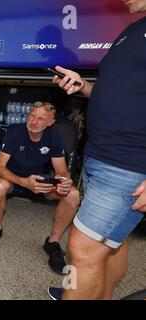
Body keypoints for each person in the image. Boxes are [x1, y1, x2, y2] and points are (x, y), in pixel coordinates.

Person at [48, 0, 146, 299]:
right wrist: (83, 87)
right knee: (110, 245)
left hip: (127, 164)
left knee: (81, 249)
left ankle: (73, 293)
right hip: (100, 157)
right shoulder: (133, 30)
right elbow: (116, 89)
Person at [0, 101, 80, 274]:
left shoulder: (55, 136)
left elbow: (61, 169)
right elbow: (0, 168)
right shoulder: (15, 132)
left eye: (40, 119)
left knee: (72, 195)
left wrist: (64, 180)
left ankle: (52, 243)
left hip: (41, 183)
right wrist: (23, 182)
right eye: (32, 116)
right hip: (15, 179)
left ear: (50, 122)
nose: (34, 122)